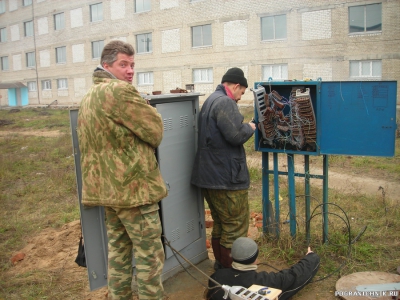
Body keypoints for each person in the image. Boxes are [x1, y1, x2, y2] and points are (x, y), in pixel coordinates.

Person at [77, 40, 168, 300]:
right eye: (123, 64)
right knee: (150, 254)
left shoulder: (89, 96)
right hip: (133, 191)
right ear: (106, 66)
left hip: (108, 192)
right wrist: (150, 111)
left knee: (118, 252)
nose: (130, 71)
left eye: (132, 65)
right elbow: (155, 132)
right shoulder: (120, 92)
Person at [191, 68, 256, 269]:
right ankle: (232, 274)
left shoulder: (211, 99)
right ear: (236, 86)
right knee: (235, 227)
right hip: (225, 179)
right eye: (242, 93)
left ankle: (220, 269)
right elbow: (236, 135)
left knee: (220, 224)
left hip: (209, 177)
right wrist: (252, 126)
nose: (240, 97)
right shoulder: (225, 102)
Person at [206, 237, 320, 300]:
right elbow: (294, 276)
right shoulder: (263, 282)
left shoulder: (216, 277)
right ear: (255, 259)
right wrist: (311, 257)